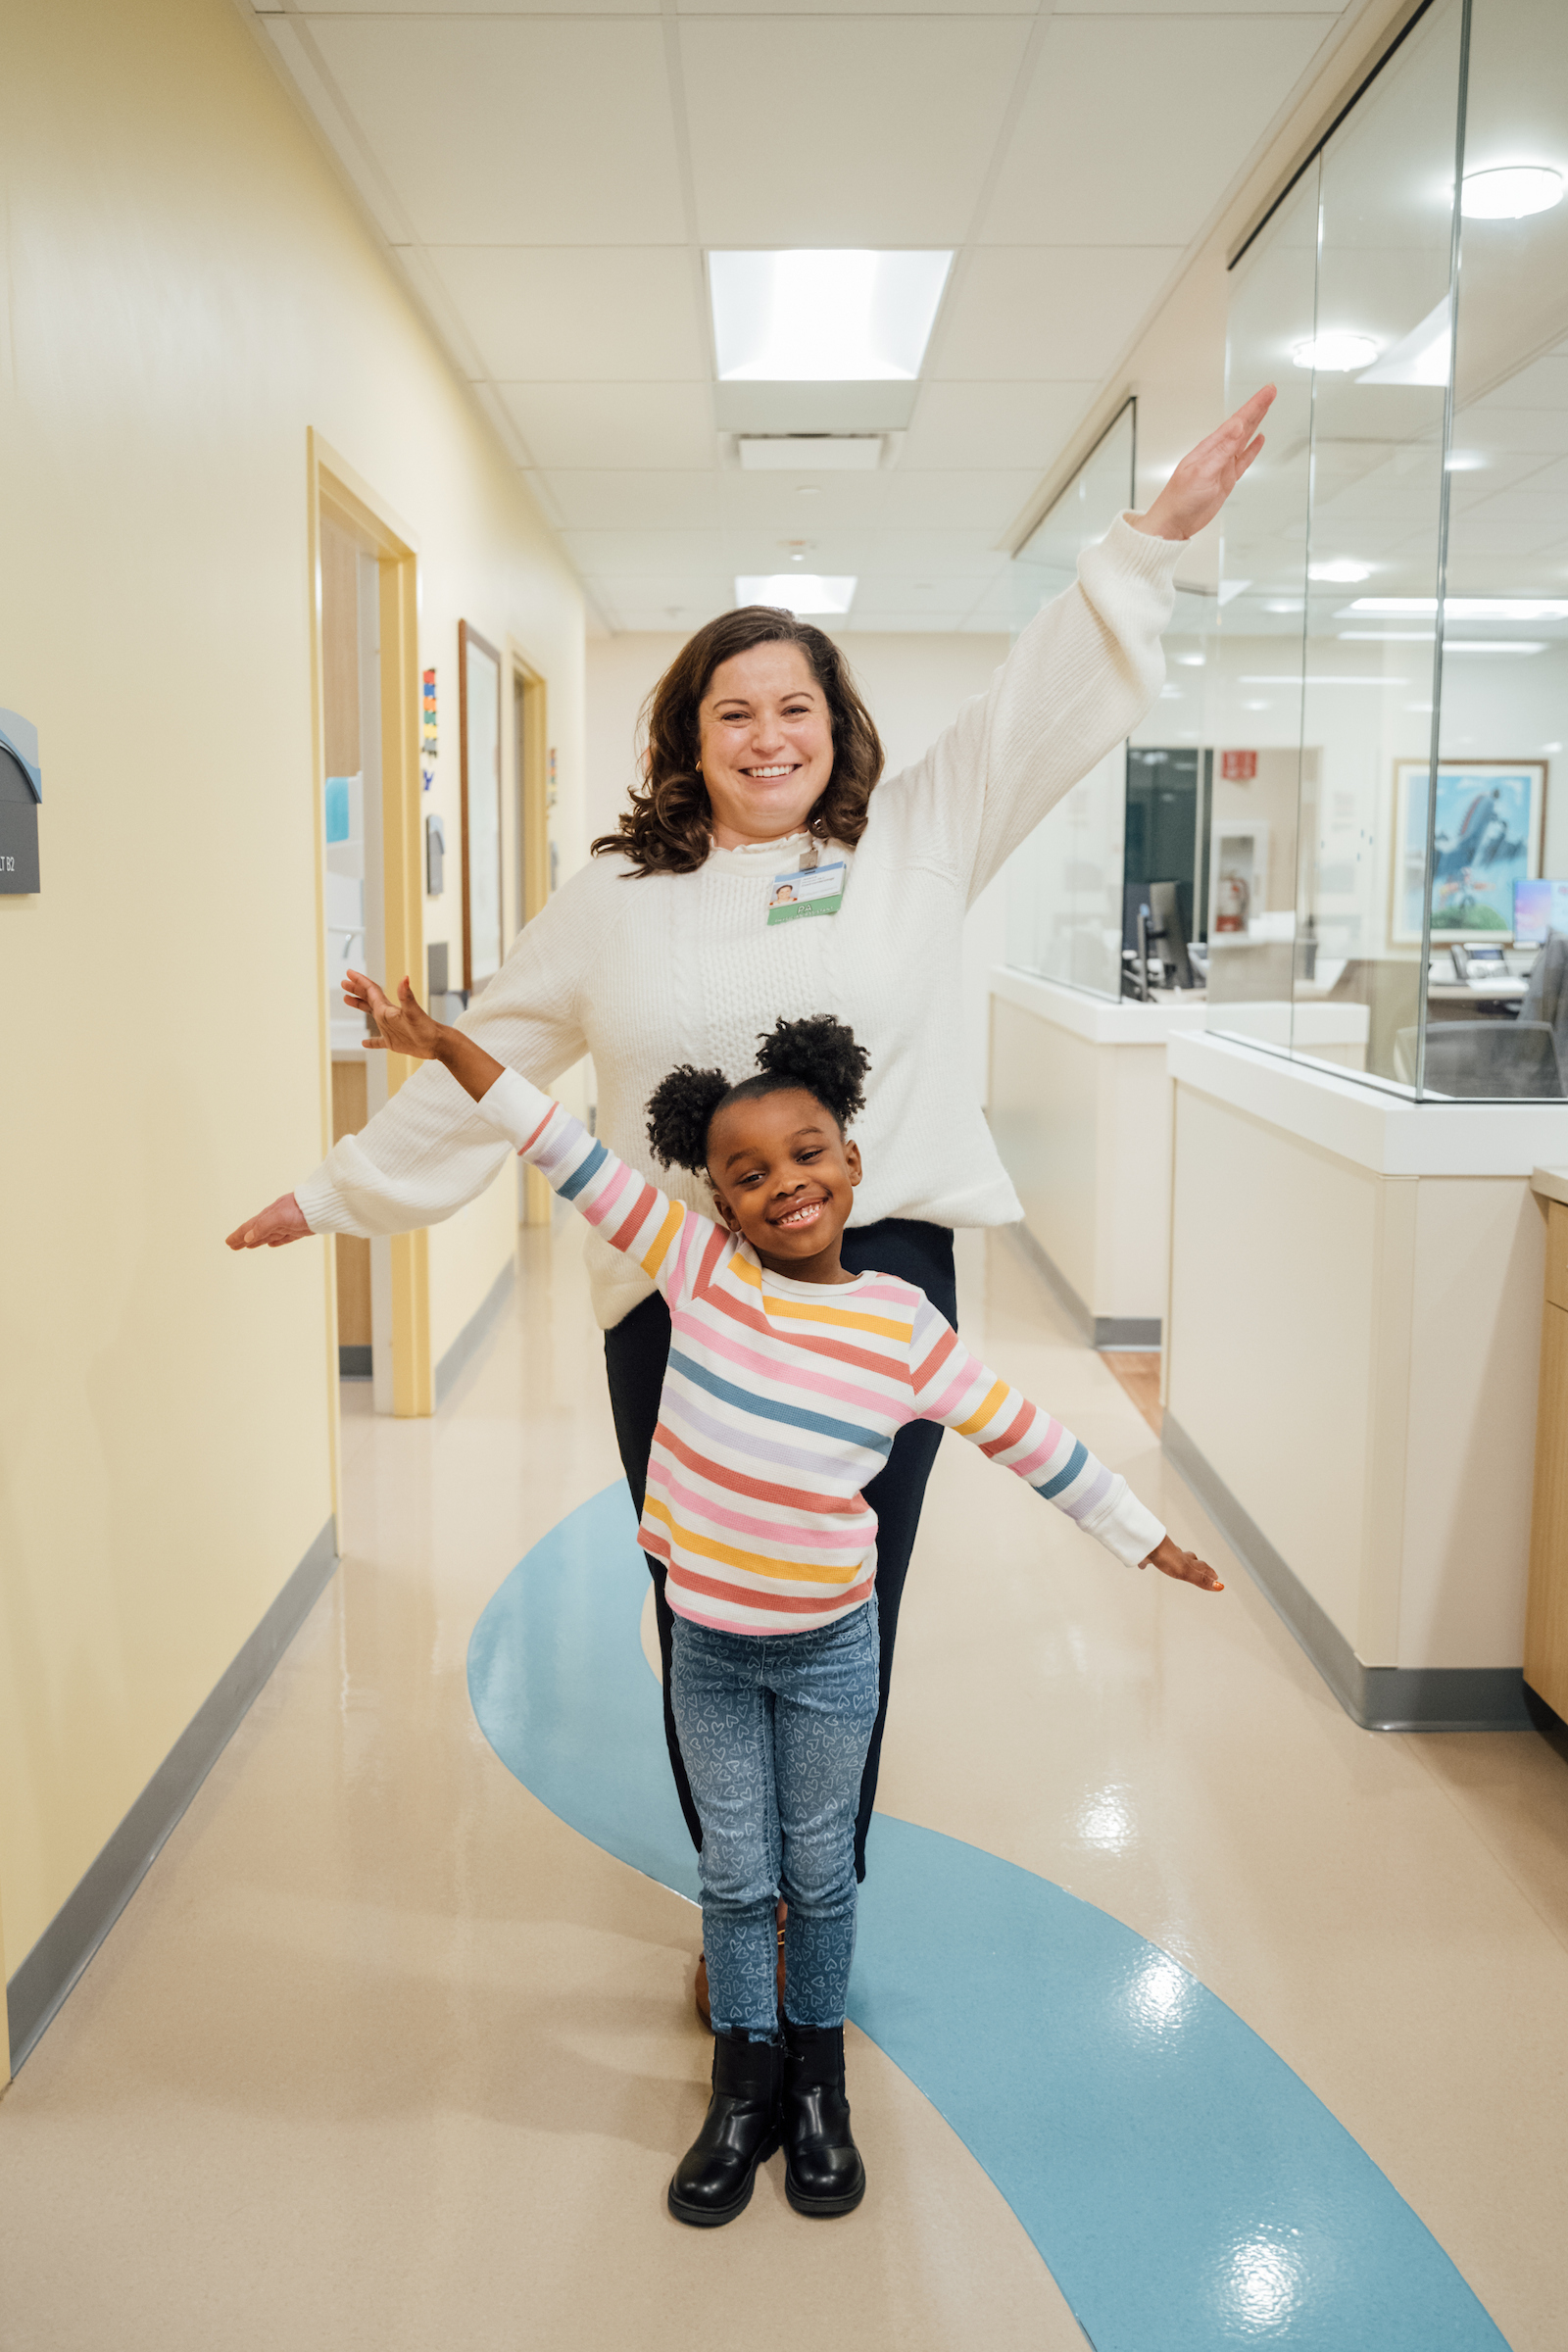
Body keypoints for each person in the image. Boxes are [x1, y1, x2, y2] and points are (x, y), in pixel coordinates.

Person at [226, 386, 1275, 1976]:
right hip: (678, 1295)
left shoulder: (915, 837)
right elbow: (496, 1056)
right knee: (701, 1610)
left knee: (852, 1610)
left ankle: (814, 1916)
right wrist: (340, 1192)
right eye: (734, 712)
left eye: (796, 707)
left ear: (836, 724)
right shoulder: (614, 898)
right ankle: (740, 1912)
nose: (770, 736)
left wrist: (1150, 540)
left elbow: (1037, 705)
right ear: (687, 737)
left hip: (879, 1281)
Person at [336, 972, 1222, 2226]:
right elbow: (553, 1140)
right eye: (747, 1174)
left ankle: (819, 2087)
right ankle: (741, 2087)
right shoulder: (698, 1273)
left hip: (828, 1656)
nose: (783, 1184)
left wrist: (1143, 1538)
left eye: (807, 1154)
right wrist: (438, 1043)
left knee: (820, 1873)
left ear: (852, 1162)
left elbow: (1031, 1439)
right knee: (735, 1875)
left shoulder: (902, 1327)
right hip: (707, 1649)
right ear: (720, 1203)